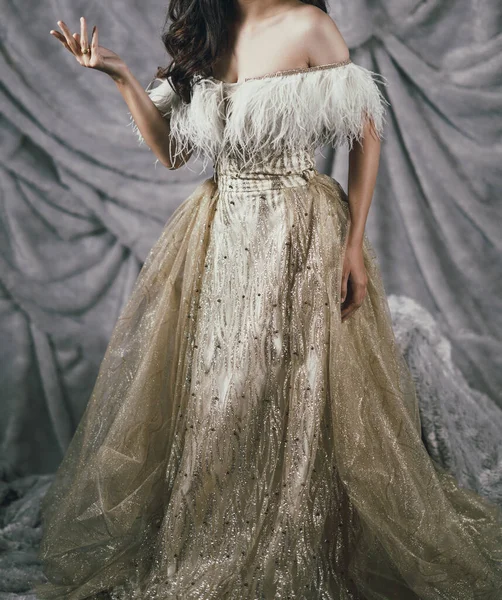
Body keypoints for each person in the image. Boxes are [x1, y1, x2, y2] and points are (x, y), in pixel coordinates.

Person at [35, 2, 502, 599]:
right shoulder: (205, 33)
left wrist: (354, 245)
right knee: (219, 394)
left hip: (299, 235)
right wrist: (122, 74)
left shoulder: (309, 26)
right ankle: (220, 538)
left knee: (294, 390)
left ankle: (299, 539)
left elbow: (365, 135)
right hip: (224, 236)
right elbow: (172, 153)